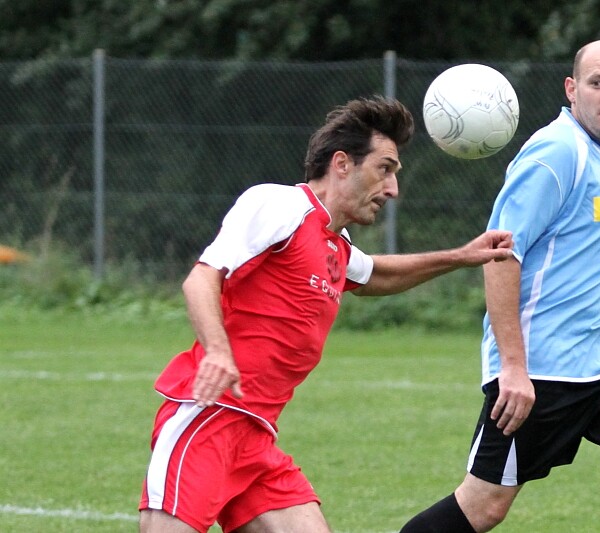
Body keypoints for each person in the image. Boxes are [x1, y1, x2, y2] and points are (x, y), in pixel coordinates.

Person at [138, 96, 513, 533]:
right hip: (209, 418)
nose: (393, 189)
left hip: (256, 437)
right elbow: (202, 278)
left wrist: (461, 256)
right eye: (385, 169)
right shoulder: (280, 206)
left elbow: (374, 274)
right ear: (341, 163)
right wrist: (218, 352)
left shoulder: (335, 242)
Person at [400, 39, 600, 533]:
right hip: (542, 369)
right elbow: (501, 254)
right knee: (483, 507)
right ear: (572, 89)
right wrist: (514, 367)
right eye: (598, 83)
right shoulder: (556, 152)